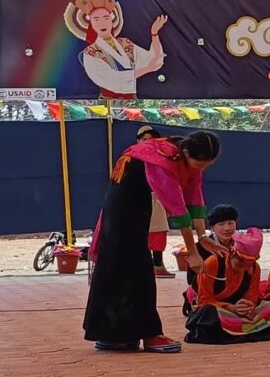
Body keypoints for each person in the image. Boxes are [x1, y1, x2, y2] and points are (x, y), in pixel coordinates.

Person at [84, 131, 218, 353]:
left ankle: (121, 335)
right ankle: (147, 334)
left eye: (207, 165)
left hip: (139, 206)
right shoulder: (160, 160)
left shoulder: (186, 160)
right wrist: (193, 253)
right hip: (123, 209)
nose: (202, 168)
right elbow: (179, 211)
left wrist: (203, 238)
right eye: (200, 163)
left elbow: (195, 199)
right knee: (134, 269)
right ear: (186, 152)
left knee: (127, 268)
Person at [185, 228, 270, 344]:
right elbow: (204, 300)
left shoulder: (254, 268)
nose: (243, 269)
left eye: (248, 265)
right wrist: (231, 308)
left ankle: (237, 331)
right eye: (240, 263)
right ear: (232, 253)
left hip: (238, 312)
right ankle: (252, 332)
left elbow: (251, 297)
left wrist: (247, 306)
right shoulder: (212, 263)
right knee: (209, 313)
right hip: (217, 309)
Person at [66, 0, 167, 99]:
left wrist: (154, 34)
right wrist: (146, 69)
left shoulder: (125, 43)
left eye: (106, 18)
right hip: (107, 102)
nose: (102, 23)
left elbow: (153, 61)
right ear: (91, 24)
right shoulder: (90, 53)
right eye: (96, 19)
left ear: (112, 20)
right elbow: (112, 80)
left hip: (132, 100)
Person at [182, 204, 237, 316]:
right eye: (221, 224)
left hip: (234, 291)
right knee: (208, 312)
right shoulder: (199, 248)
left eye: (230, 223)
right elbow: (191, 279)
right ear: (212, 228)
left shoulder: (242, 245)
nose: (227, 228)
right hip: (207, 293)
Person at [135, 126, 175, 279]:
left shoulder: (161, 159)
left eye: (151, 140)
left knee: (159, 232)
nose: (147, 143)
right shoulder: (130, 158)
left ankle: (158, 265)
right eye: (144, 140)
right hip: (136, 200)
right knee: (138, 235)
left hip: (157, 199)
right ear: (138, 141)